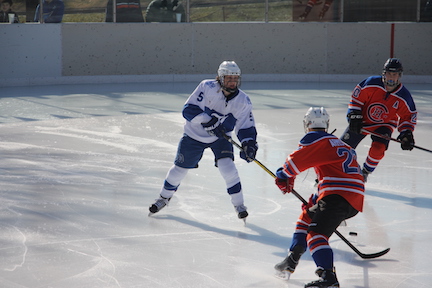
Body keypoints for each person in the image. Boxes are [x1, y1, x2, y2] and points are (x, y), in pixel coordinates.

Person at [148, 61, 258, 220]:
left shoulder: (243, 101)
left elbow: (246, 127)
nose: (233, 82)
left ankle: (239, 205)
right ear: (220, 78)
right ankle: (163, 198)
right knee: (178, 170)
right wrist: (207, 121)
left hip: (221, 137)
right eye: (229, 79)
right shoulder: (207, 87)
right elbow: (188, 110)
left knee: (228, 168)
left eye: (235, 79)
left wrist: (249, 144)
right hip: (194, 135)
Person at [274, 107, 364, 288]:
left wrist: (283, 175)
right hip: (350, 195)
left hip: (338, 195)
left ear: (307, 124)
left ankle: (328, 277)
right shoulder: (338, 144)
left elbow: (295, 161)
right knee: (307, 215)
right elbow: (337, 174)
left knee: (316, 235)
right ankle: (292, 259)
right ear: (327, 124)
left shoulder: (315, 140)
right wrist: (317, 198)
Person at [340, 58, 417, 182]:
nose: (391, 77)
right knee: (342, 148)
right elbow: (356, 99)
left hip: (384, 125)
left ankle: (364, 173)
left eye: (395, 74)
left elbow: (408, 116)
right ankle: (332, 171)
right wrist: (354, 115)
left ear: (399, 76)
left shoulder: (404, 96)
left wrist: (406, 134)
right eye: (389, 73)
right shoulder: (371, 83)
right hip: (362, 121)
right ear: (384, 73)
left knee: (378, 149)